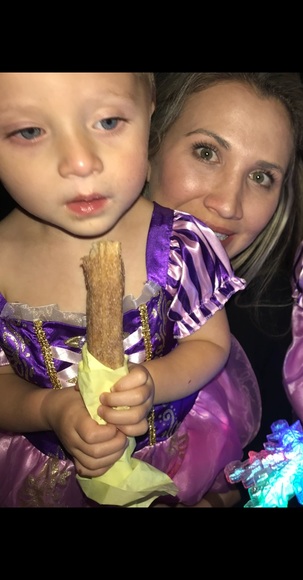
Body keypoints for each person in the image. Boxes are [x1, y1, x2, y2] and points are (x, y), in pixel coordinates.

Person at [0, 72, 255, 507]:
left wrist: (153, 383)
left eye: (108, 121)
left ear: (149, 105)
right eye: (29, 131)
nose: (80, 162)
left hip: (172, 449)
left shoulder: (180, 243)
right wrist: (47, 409)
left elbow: (211, 344)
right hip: (49, 471)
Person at [145, 72, 303, 506]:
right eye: (207, 153)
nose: (227, 205)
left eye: (261, 177)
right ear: (147, 147)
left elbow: (270, 461)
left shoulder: (277, 316)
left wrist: (215, 502)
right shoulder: (30, 281)